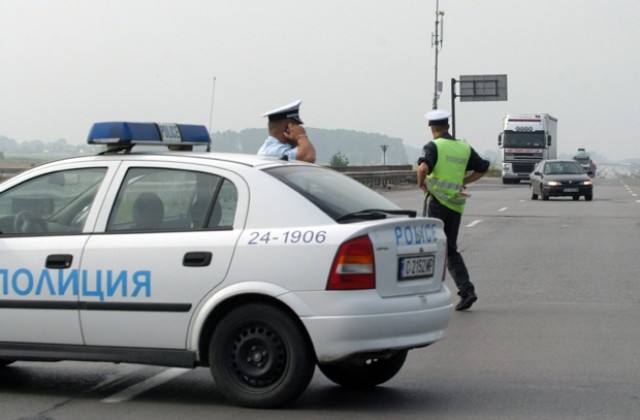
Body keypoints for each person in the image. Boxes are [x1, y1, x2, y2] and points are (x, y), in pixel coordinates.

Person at [417, 109, 489, 311]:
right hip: (455, 205)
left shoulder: (433, 146)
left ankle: (426, 295)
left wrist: (421, 184)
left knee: (431, 247)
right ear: (448, 126)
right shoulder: (463, 148)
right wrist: (463, 181)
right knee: (450, 249)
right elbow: (483, 167)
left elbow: (422, 169)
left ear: (432, 129)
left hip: (436, 204)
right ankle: (466, 290)